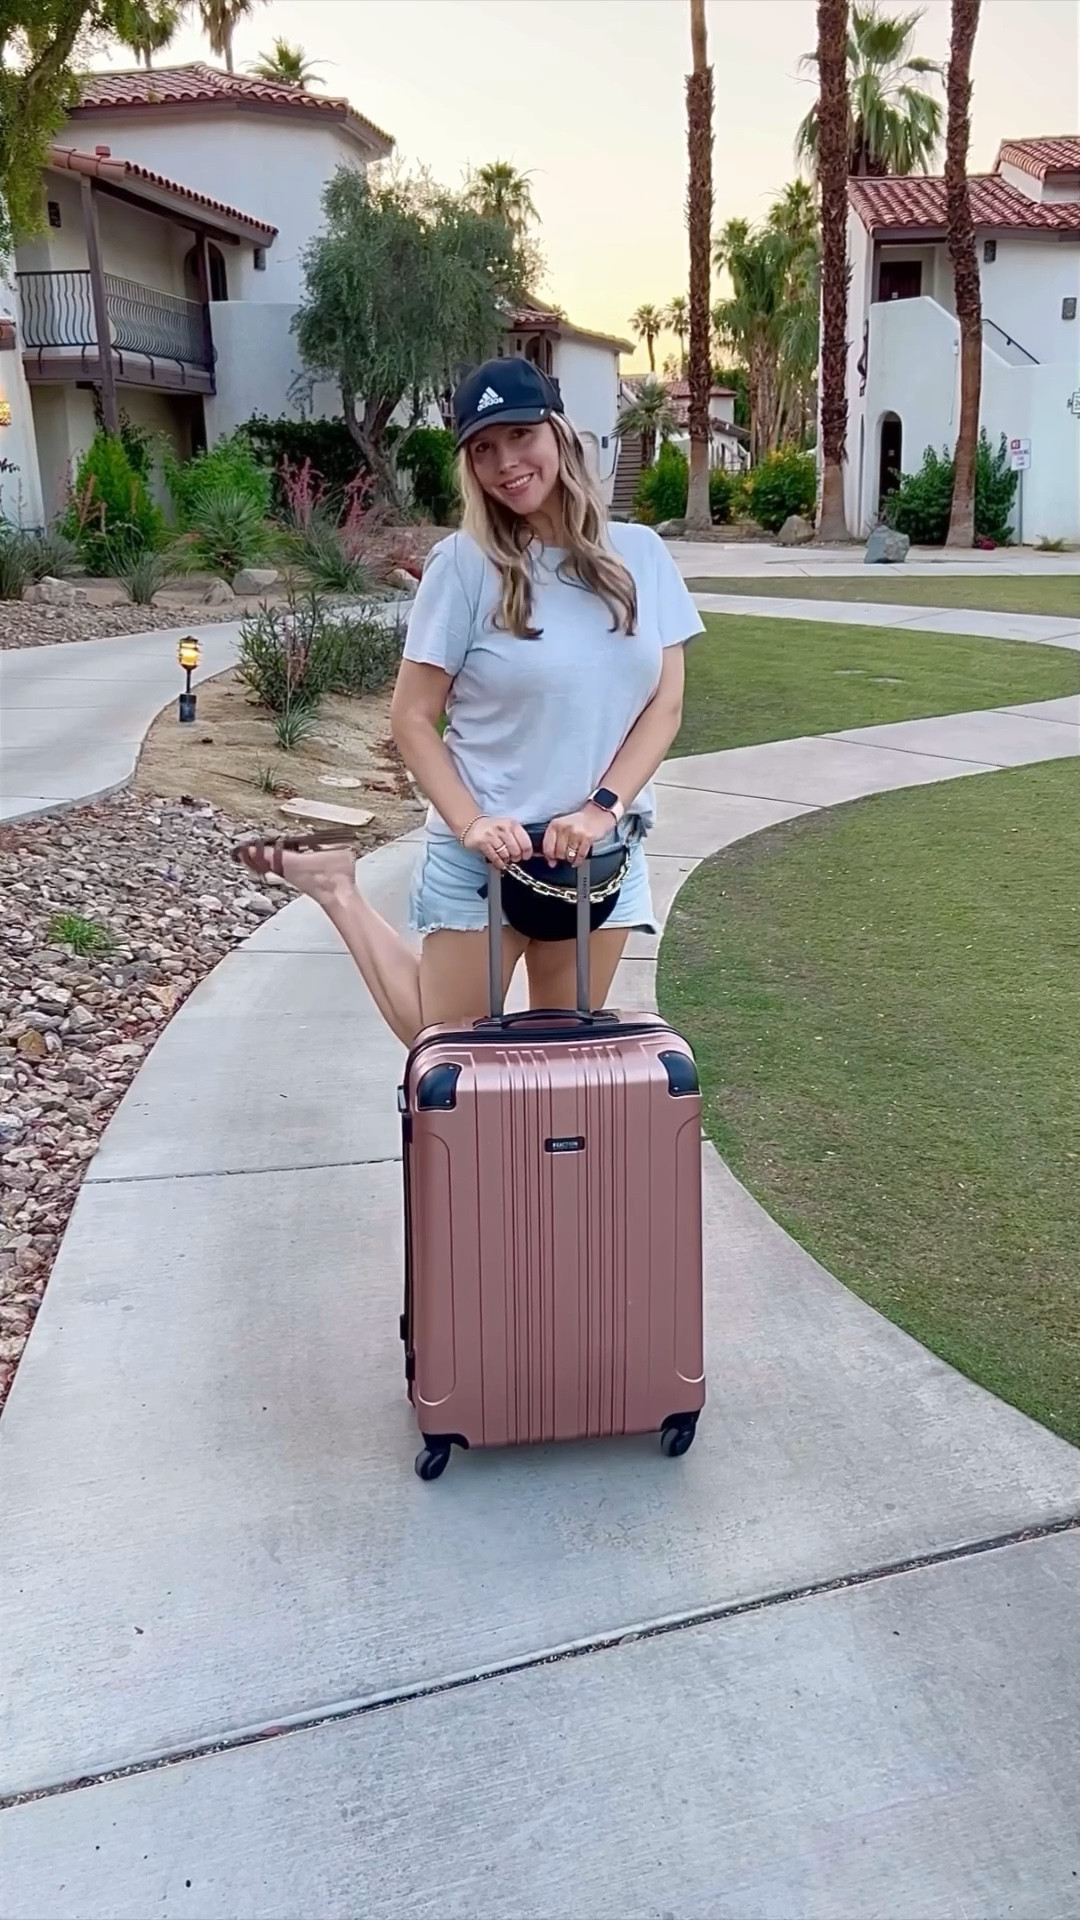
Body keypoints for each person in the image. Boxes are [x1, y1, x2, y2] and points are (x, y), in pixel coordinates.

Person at [233, 357, 704, 1046]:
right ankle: (336, 887)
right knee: (446, 1043)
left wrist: (603, 808)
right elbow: (412, 717)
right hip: (487, 853)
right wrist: (472, 824)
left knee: (557, 1053)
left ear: (558, 433)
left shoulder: (641, 555)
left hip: (598, 857)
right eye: (483, 449)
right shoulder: (462, 566)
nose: (505, 463)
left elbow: (663, 706)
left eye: (519, 436)